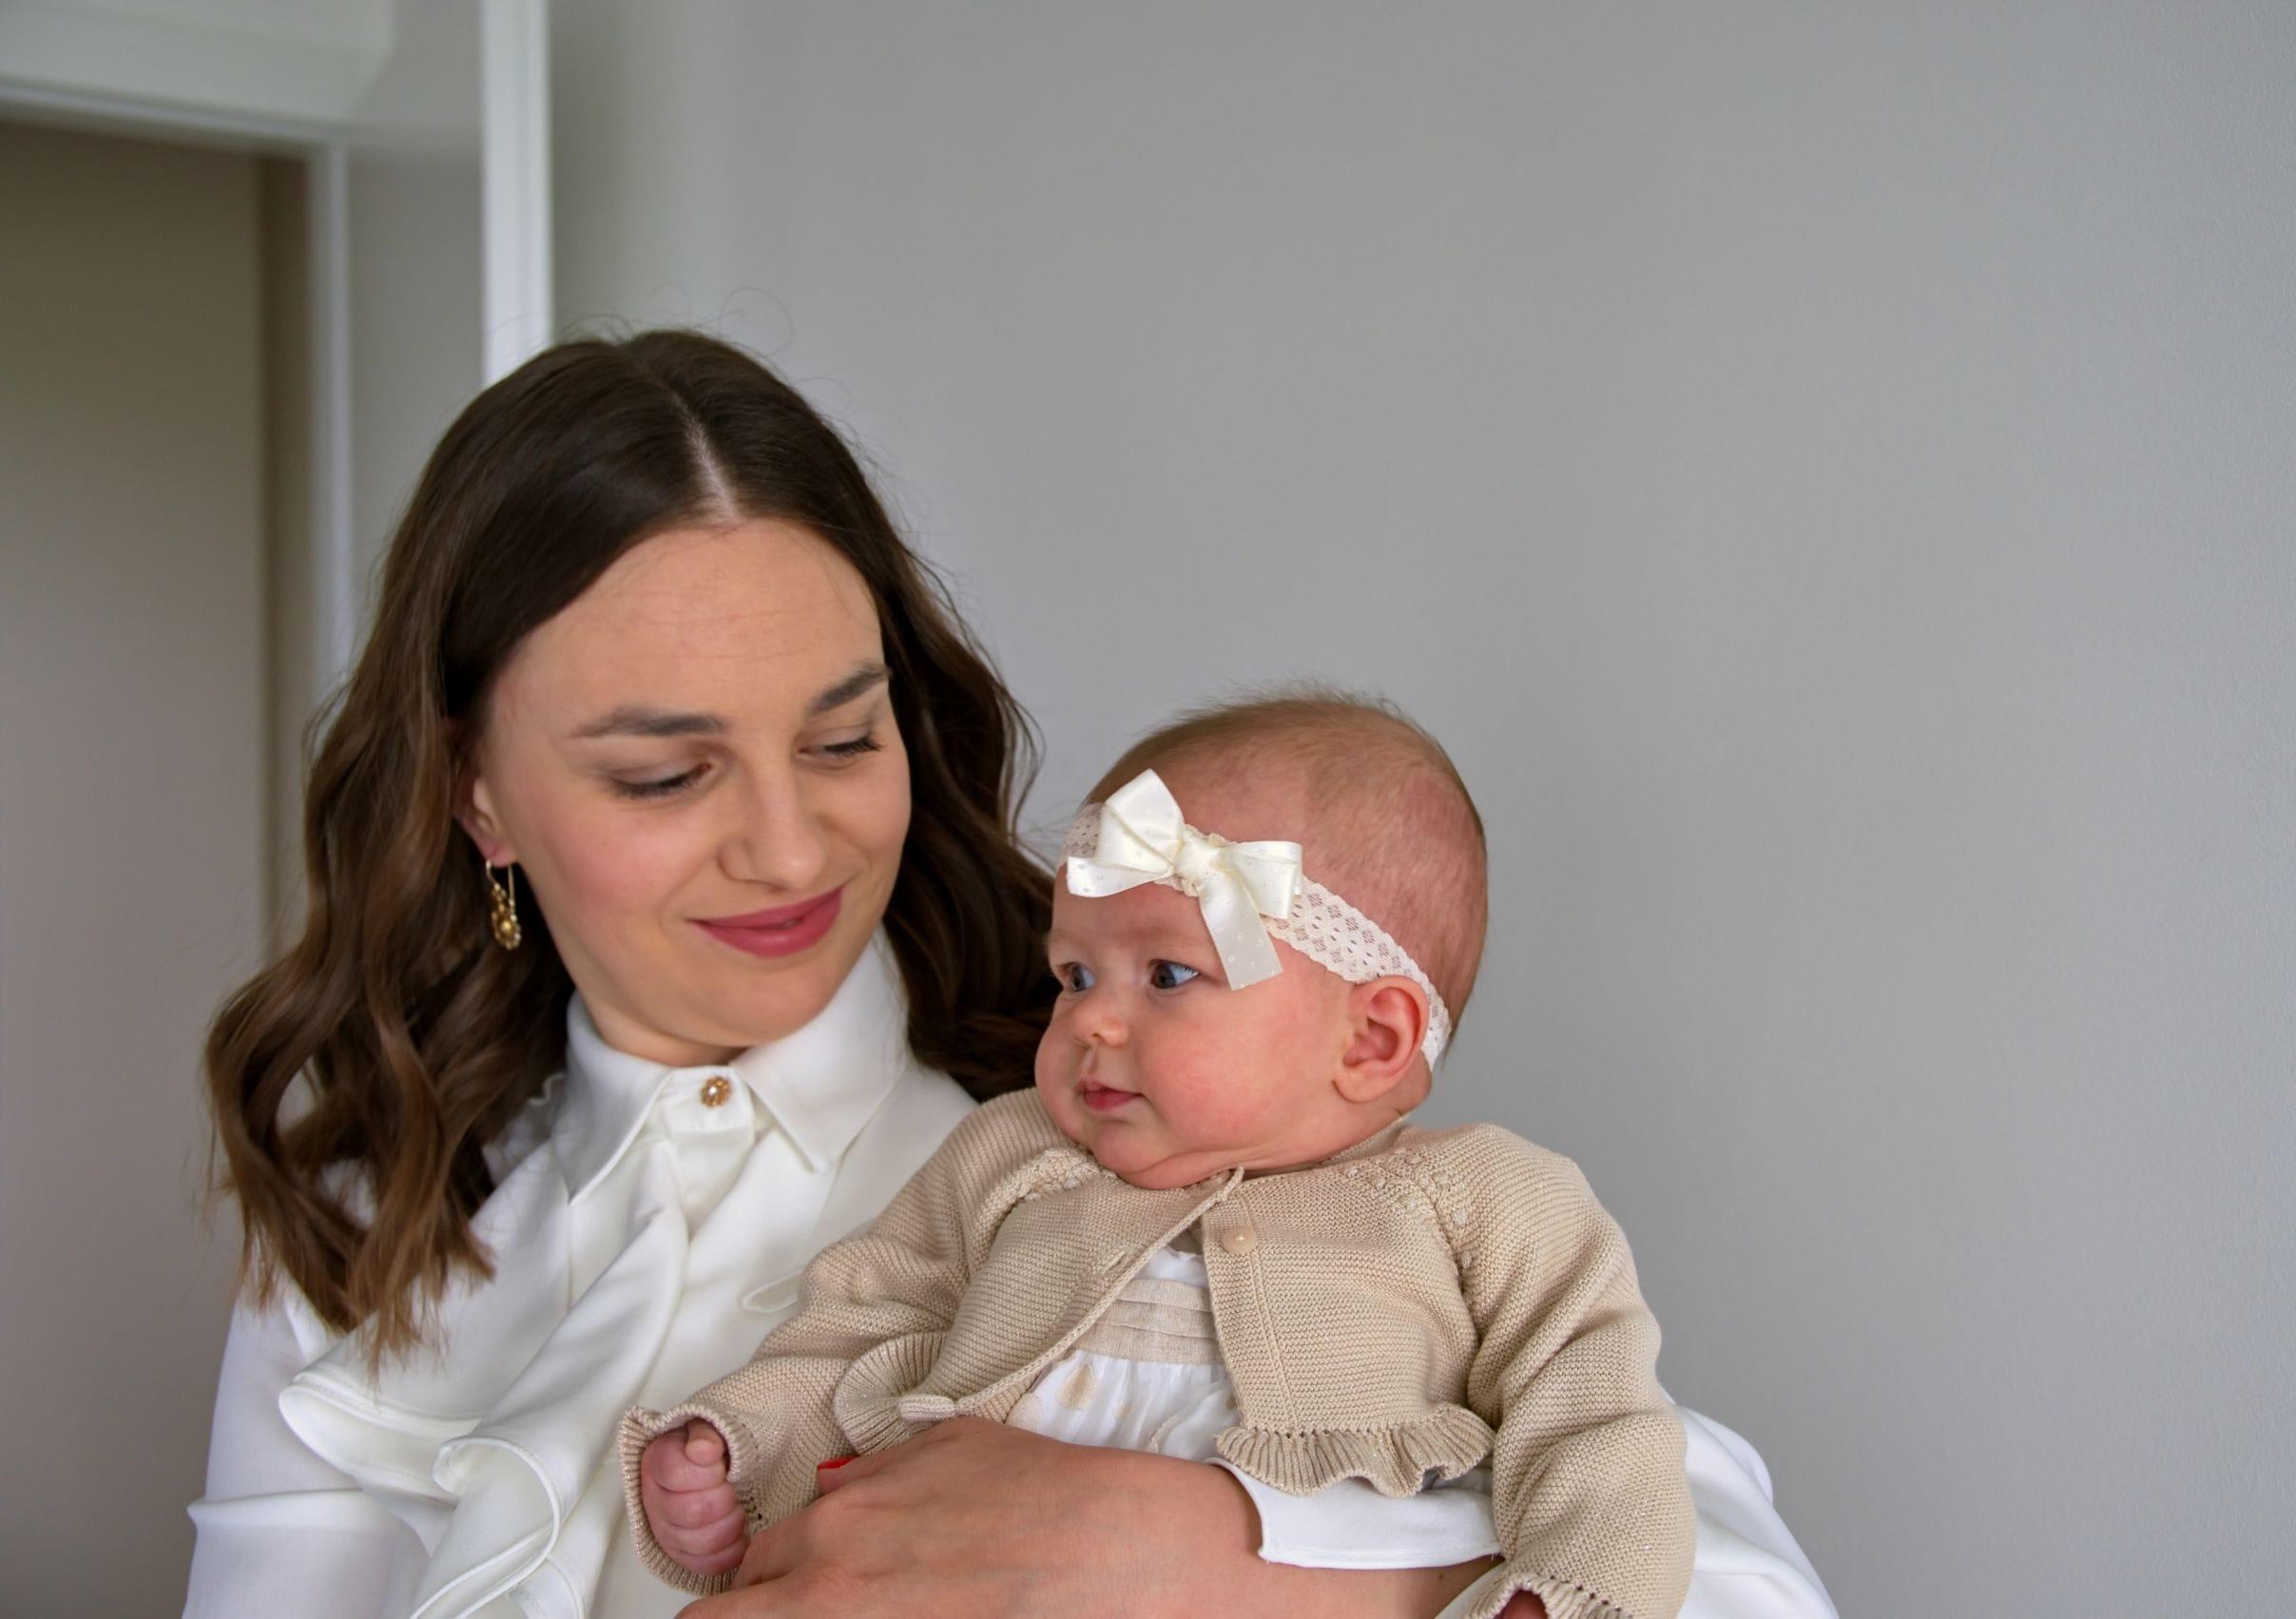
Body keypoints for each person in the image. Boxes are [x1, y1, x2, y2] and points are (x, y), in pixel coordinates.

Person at [185, 329, 1834, 1618]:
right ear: (479, 791)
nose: (788, 846)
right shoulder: (367, 1223)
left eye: (844, 735)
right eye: (663, 774)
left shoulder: (1122, 1117)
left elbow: (1748, 1576)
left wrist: (1214, 1568)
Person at [628, 697, 1697, 1618]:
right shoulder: (1012, 1152)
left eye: (1169, 976)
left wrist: (1565, 1587)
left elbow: (1597, 1410)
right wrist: (739, 1440)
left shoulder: (1480, 1198)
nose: (1091, 1022)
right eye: (1075, 976)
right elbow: (862, 1311)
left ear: (1369, 1039)